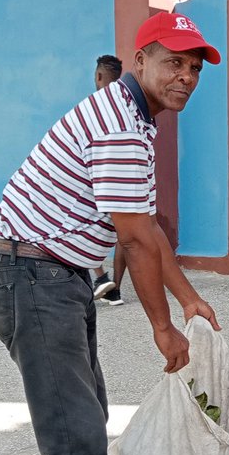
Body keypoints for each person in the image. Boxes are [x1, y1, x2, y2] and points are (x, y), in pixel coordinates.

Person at [0, 13, 222, 455]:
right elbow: (135, 242)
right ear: (140, 60)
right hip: (29, 274)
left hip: (52, 275)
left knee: (85, 417)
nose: (185, 77)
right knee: (74, 432)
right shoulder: (120, 127)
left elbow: (147, 231)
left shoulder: (131, 118)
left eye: (194, 69)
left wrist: (187, 296)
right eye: (173, 63)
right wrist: (163, 327)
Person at [91, 55, 129, 306]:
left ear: (98, 76)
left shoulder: (95, 104)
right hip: (128, 178)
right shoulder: (127, 103)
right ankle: (115, 286)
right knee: (124, 235)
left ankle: (101, 278)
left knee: (83, 226)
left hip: (101, 178)